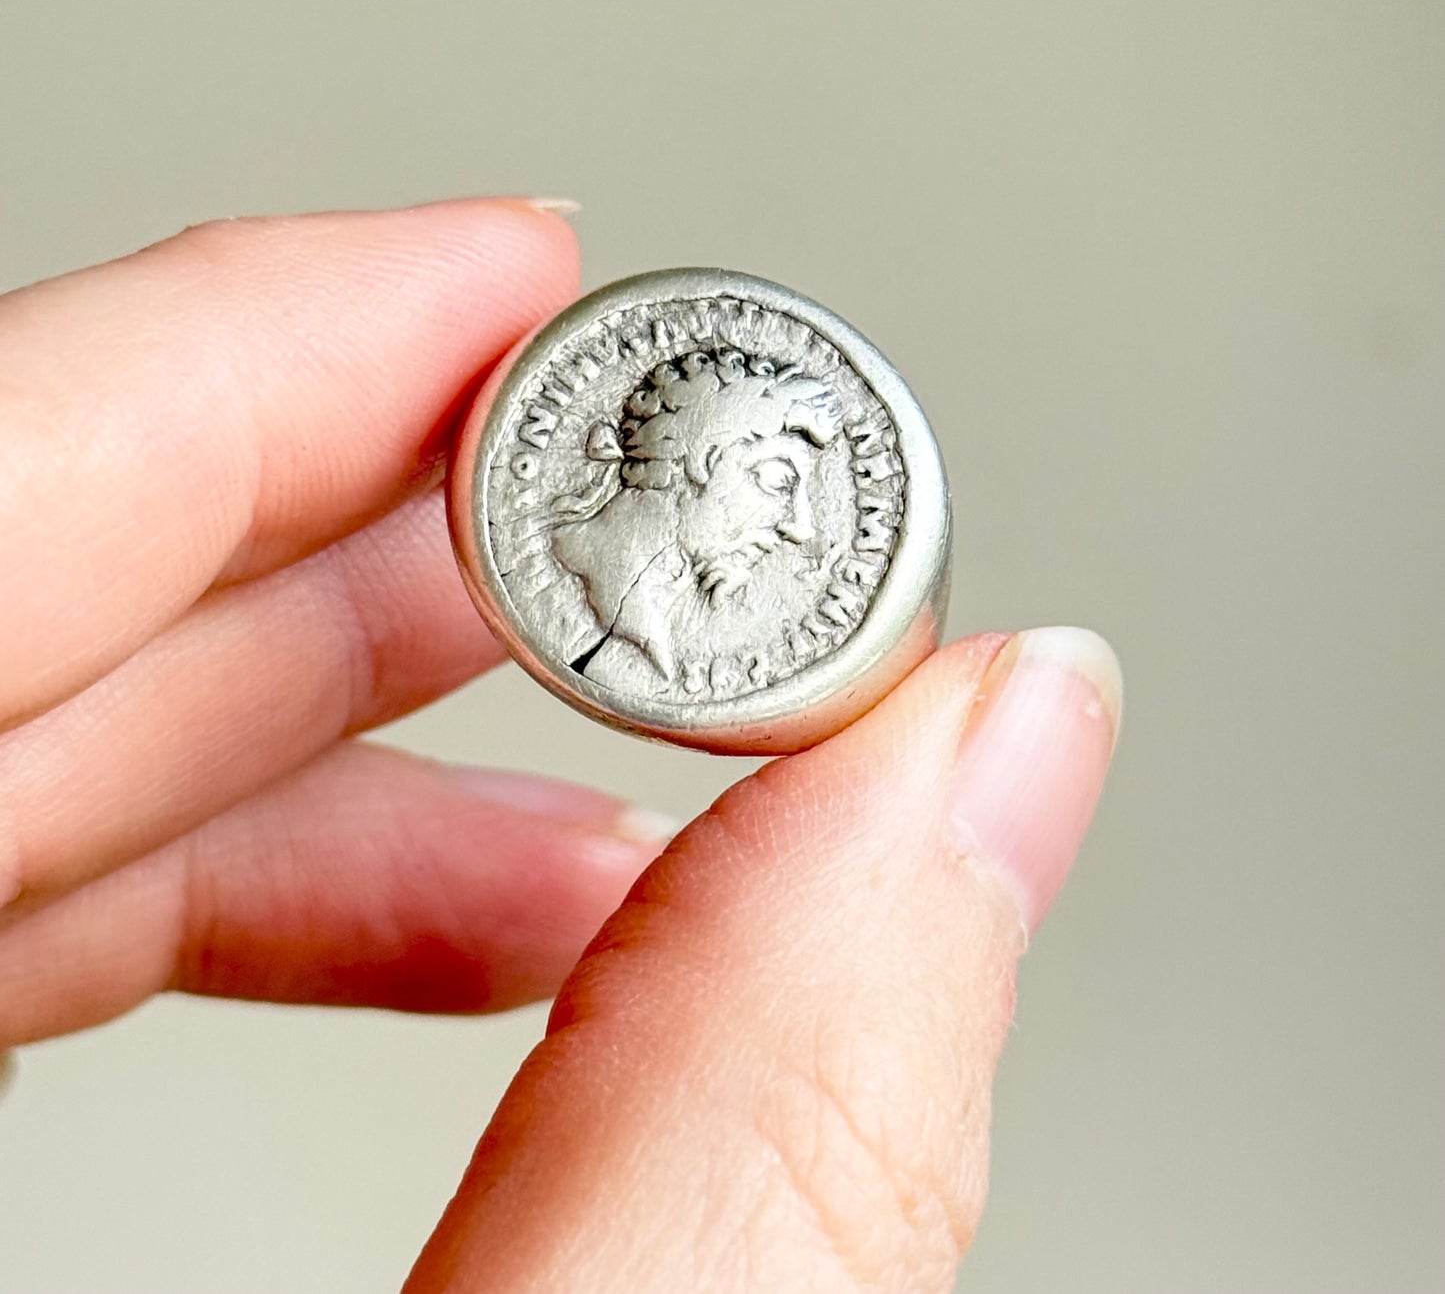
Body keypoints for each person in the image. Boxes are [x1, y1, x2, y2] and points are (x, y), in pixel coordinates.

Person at [0, 197, 1122, 1293]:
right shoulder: (606, 593)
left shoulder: (676, 607)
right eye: (776, 481)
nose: (791, 525)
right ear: (693, 458)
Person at [550, 346, 842, 690]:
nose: (800, 528)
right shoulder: (579, 579)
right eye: (777, 481)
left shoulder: (667, 605)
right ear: (701, 460)